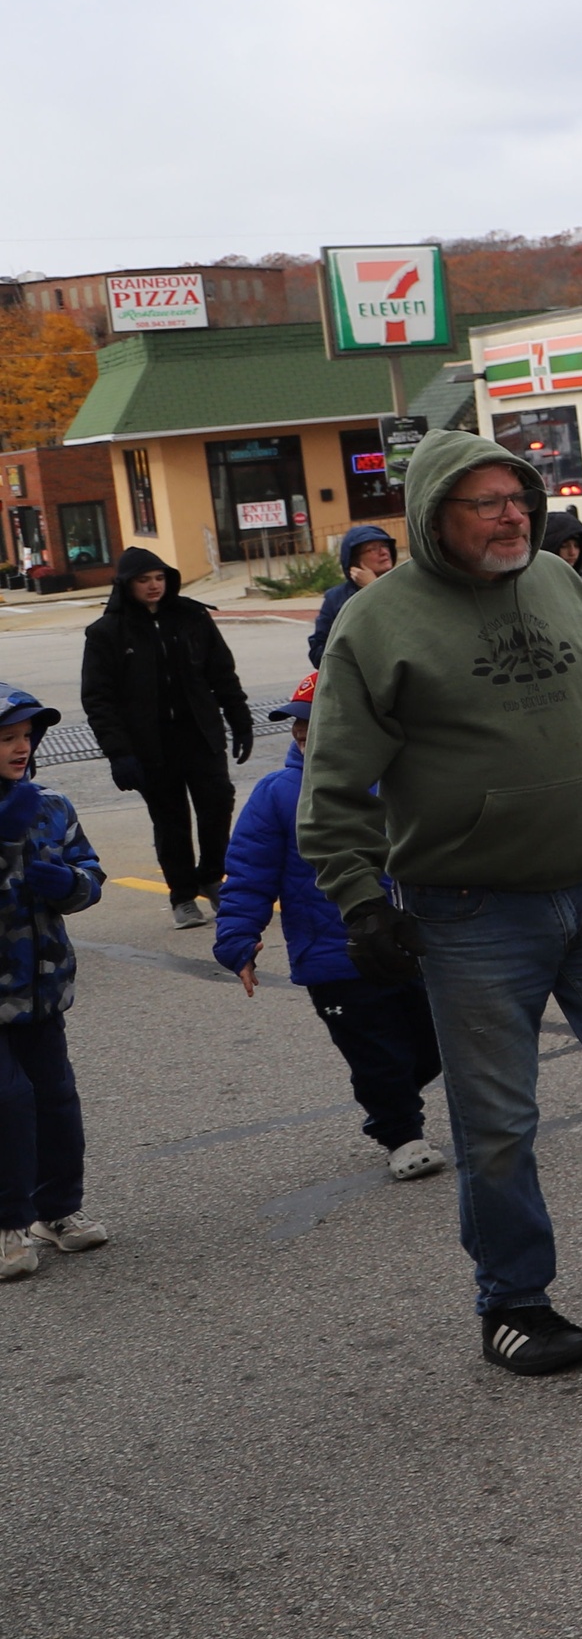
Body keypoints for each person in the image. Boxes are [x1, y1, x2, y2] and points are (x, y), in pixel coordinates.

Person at [298, 427, 582, 1376]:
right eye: (485, 503)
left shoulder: (561, 584)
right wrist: (360, 899)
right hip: (469, 911)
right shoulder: (376, 624)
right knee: (498, 1128)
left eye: (518, 499)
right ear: (432, 515)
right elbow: (335, 782)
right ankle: (514, 1300)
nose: (511, 517)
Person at [213, 673, 446, 1184]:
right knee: (375, 1052)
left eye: (314, 722)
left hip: (408, 947)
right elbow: (249, 873)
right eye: (296, 724)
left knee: (431, 1045)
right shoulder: (278, 794)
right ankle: (401, 1132)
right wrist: (237, 939)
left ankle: (389, 1099)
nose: (302, 732)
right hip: (333, 958)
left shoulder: (400, 779)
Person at [78, 546, 253, 928]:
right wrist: (119, 754)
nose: (153, 586)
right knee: (170, 821)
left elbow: (222, 673)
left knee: (217, 805)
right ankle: (183, 896)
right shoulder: (107, 632)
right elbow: (98, 699)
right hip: (150, 746)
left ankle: (212, 876)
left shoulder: (192, 617)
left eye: (159, 578)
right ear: (127, 585)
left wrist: (240, 722)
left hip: (200, 735)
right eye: (144, 580)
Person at [0, 685, 109, 1283]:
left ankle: (56, 1210)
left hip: (42, 989)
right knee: (8, 1102)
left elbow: (89, 870)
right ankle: (8, 1225)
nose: (21, 748)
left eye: (26, 737)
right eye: (6, 738)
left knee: (55, 1100)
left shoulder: (51, 804)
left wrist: (70, 885)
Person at [307, 524, 397, 666]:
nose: (383, 552)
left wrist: (372, 589)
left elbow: (404, 633)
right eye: (373, 548)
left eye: (385, 545)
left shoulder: (405, 587)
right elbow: (318, 652)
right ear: (354, 560)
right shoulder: (336, 598)